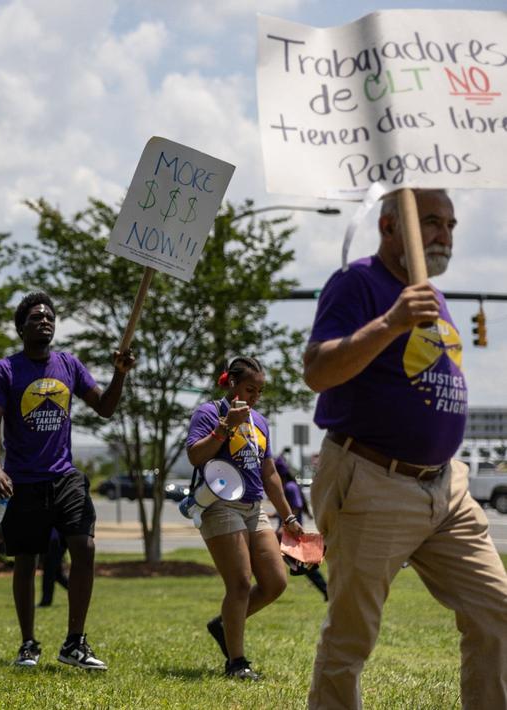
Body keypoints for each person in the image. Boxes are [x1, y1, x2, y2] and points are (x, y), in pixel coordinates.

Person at [302, 189, 507, 709]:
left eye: (452, 225)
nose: (445, 235)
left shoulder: (431, 297)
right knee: (352, 637)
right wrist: (390, 322)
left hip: (446, 487)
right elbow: (317, 370)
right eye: (432, 222)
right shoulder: (359, 283)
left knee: (496, 609)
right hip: (374, 479)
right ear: (391, 227)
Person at [0, 291, 134, 670]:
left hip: (65, 476)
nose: (45, 320)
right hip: (23, 480)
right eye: (36, 317)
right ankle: (28, 643)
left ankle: (74, 643)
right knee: (26, 559)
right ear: (22, 328)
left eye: (49, 316)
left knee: (84, 547)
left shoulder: (68, 364)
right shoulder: (6, 370)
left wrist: (119, 374)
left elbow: (105, 408)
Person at [185, 356, 304, 680]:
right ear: (232, 384)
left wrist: (289, 516)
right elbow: (196, 455)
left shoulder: (259, 422)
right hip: (220, 504)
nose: (255, 397)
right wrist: (225, 427)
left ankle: (224, 625)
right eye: (250, 389)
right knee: (239, 582)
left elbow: (270, 474)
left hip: (254, 507)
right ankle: (236, 662)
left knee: (275, 582)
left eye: (260, 391)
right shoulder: (209, 413)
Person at [277, 463, 327, 601]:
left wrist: (286, 524)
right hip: (287, 530)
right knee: (300, 565)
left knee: (302, 565)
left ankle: (326, 589)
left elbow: (297, 506)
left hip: (290, 532)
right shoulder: (288, 486)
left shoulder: (289, 487)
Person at [38, 529, 69, 608]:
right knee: (57, 574)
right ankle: (79, 592)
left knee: (49, 572)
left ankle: (46, 601)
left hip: (55, 540)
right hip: (53, 539)